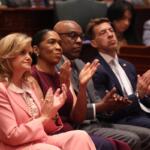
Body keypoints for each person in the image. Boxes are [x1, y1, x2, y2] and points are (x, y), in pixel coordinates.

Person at [53, 19, 150, 150]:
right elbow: (72, 111)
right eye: (72, 35)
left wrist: (109, 105)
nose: (79, 41)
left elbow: (99, 104)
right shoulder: (90, 67)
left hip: (100, 120)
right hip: (81, 124)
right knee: (136, 137)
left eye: (81, 37)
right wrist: (135, 96)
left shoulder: (81, 64)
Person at [0, 32, 96, 150]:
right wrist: (44, 116)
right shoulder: (2, 90)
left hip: (38, 140)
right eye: (22, 53)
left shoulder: (28, 85)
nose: (29, 57)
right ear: (7, 55)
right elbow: (11, 136)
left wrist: (53, 111)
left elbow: (48, 128)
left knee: (80, 136)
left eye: (29, 53)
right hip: (14, 146)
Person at [31, 29, 121, 150]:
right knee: (106, 145)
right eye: (52, 42)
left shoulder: (62, 76)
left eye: (59, 43)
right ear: (36, 50)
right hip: (50, 134)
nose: (58, 47)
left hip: (72, 131)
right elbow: (43, 120)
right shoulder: (32, 76)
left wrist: (82, 86)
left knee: (114, 144)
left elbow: (78, 117)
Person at [87, 17, 150, 129]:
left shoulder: (128, 65)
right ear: (94, 43)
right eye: (103, 33)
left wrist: (146, 93)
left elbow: (142, 99)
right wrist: (138, 95)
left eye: (111, 30)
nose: (110, 35)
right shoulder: (96, 70)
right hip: (122, 120)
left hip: (140, 114)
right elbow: (108, 111)